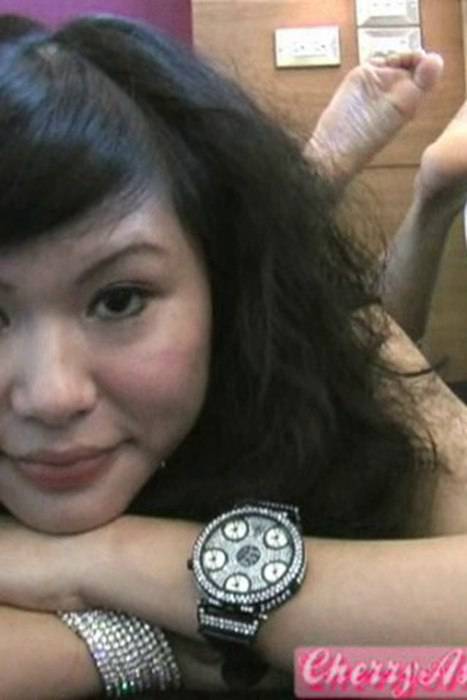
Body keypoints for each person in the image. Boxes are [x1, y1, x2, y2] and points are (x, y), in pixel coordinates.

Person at [0, 12, 466, 700]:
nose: (51, 394)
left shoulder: (294, 392)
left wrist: (107, 560)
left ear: (222, 290)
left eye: (119, 300)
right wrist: (152, 642)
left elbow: (446, 666)